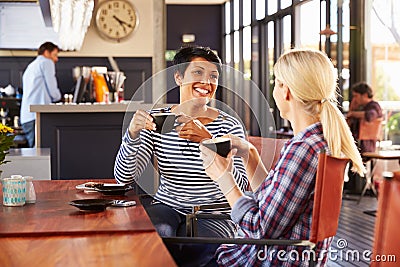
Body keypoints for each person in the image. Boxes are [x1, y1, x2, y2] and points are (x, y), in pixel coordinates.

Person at [199, 48, 365, 266]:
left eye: (276, 82)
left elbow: (259, 228)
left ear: (285, 90)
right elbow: (274, 207)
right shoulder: (320, 142)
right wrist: (250, 156)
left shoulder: (303, 149)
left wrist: (223, 177)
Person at [114, 45, 248, 266]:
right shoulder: (158, 121)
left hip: (215, 213)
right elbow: (123, 178)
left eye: (213, 76)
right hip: (168, 206)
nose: (207, 82)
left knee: (197, 251)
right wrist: (132, 135)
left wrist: (209, 142)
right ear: (178, 77)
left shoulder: (229, 125)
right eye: (197, 72)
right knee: (152, 240)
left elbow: (242, 186)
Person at [20, 42, 62, 147]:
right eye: (55, 55)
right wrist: (59, 97)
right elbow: (53, 91)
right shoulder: (46, 62)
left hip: (27, 116)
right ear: (47, 53)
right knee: (38, 155)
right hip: (36, 116)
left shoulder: (32, 66)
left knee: (34, 153)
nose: (56, 59)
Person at [346, 82, 383, 153]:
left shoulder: (374, 106)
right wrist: (352, 108)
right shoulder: (362, 107)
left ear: (365, 95)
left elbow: (370, 116)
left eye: (356, 96)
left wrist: (352, 113)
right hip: (358, 144)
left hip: (363, 145)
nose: (354, 99)